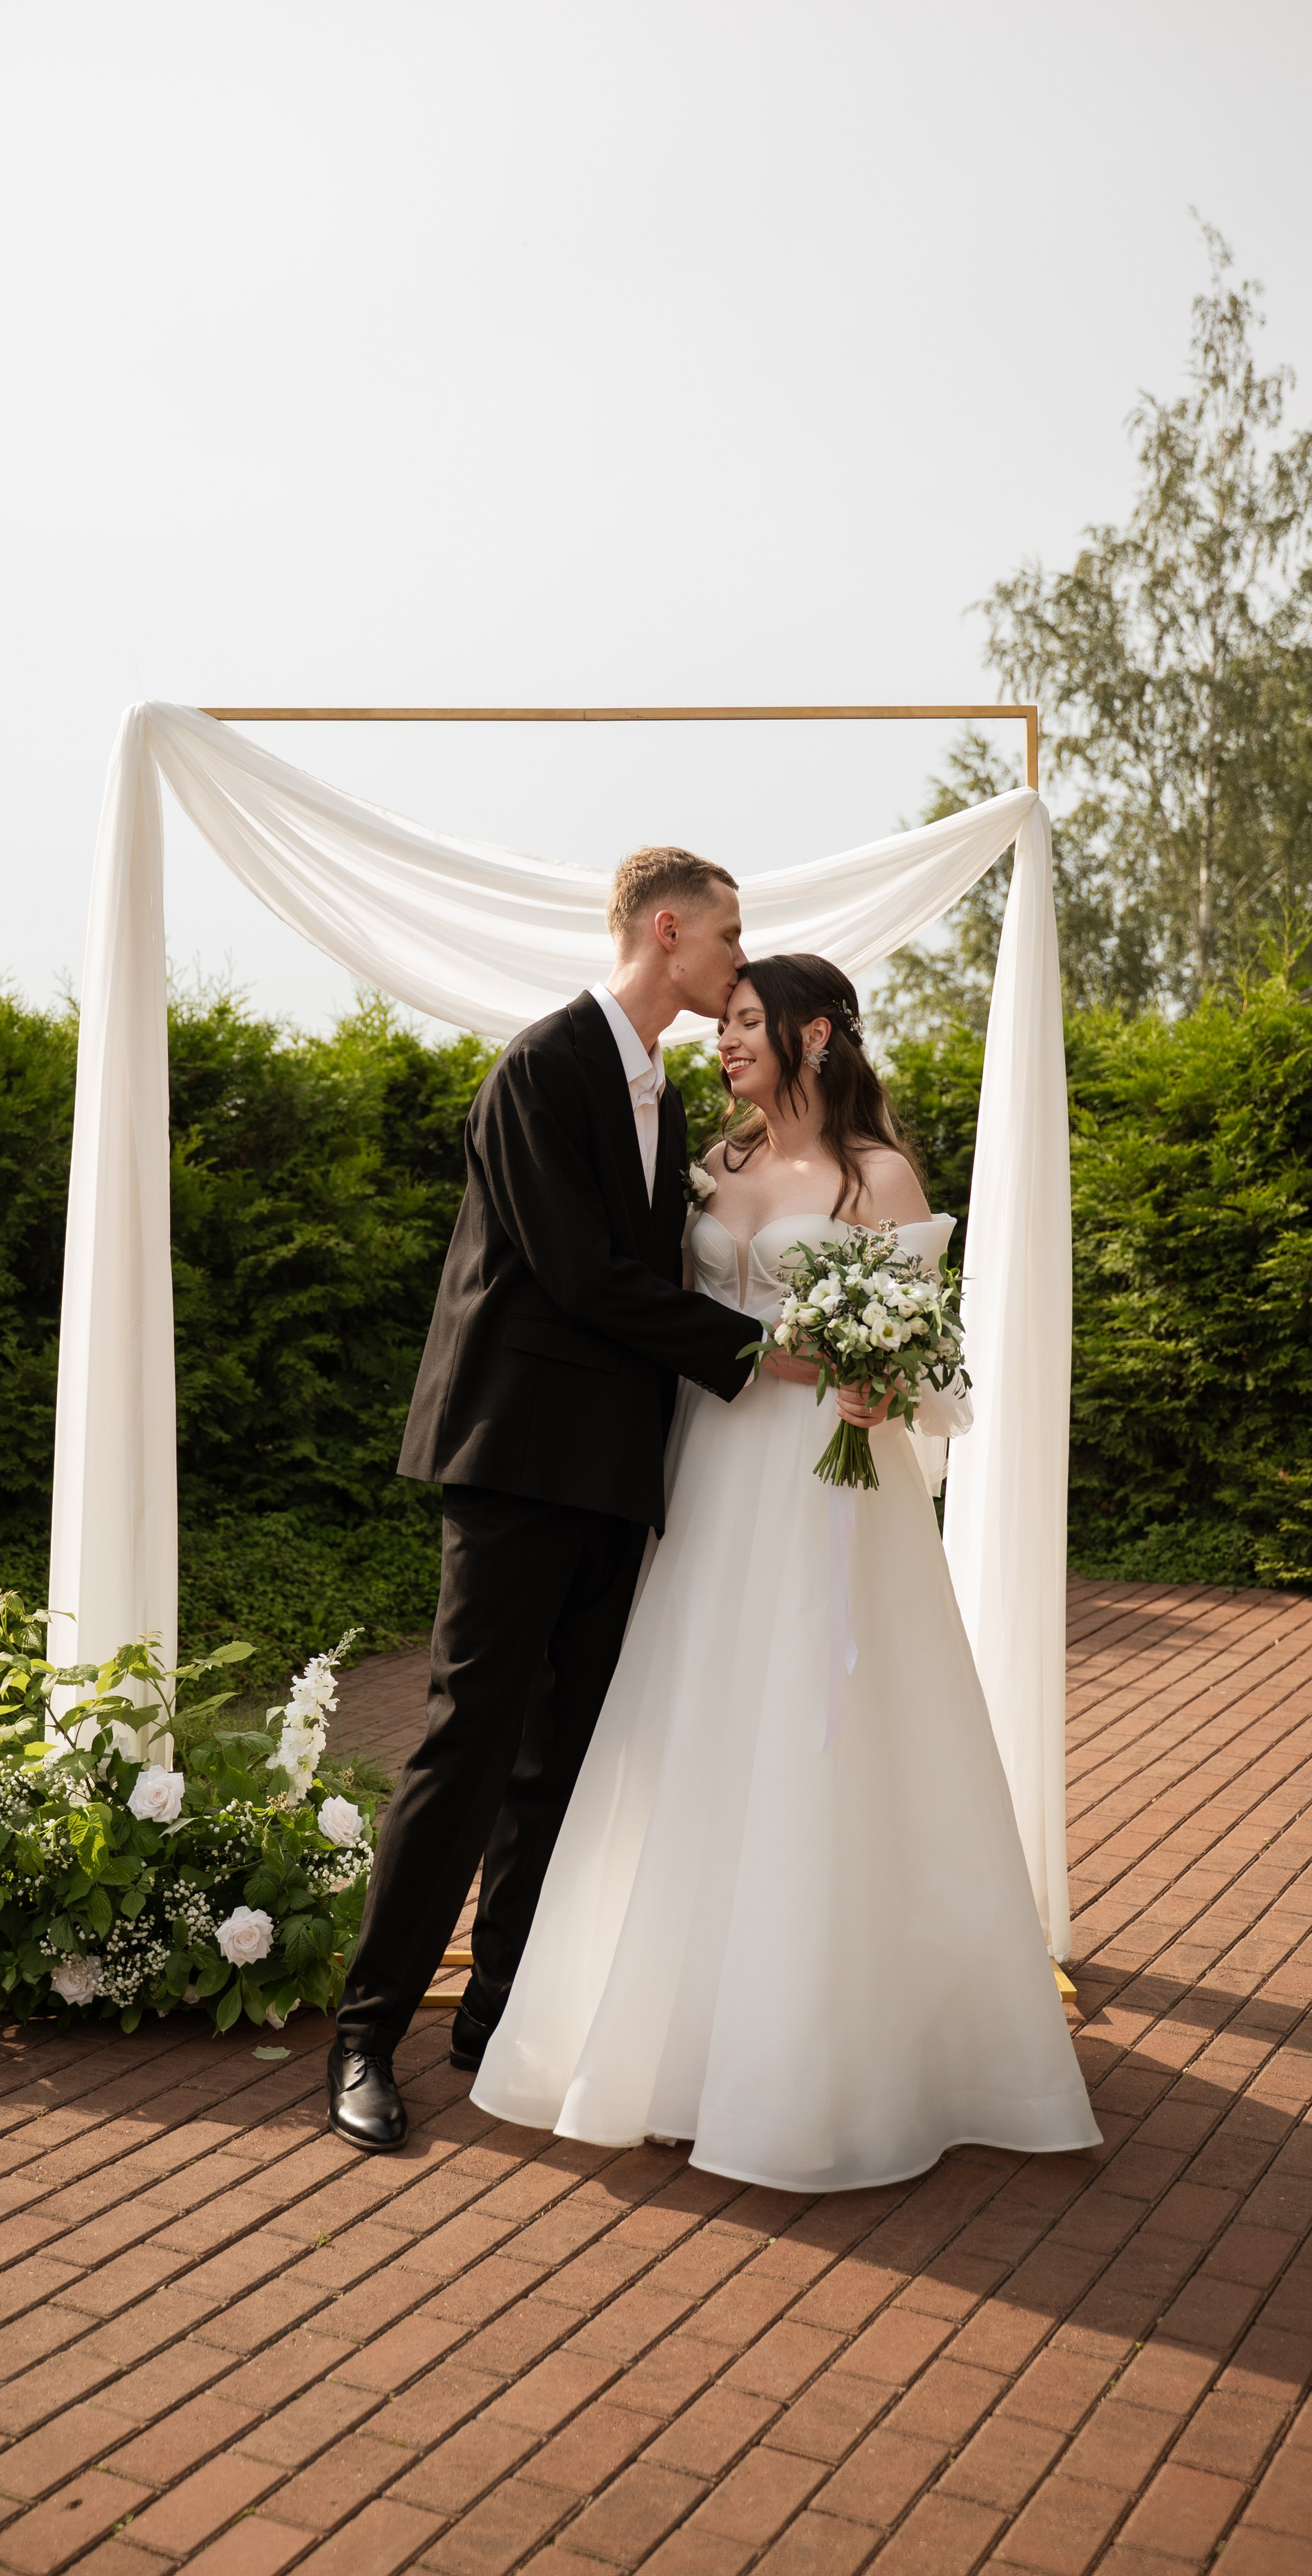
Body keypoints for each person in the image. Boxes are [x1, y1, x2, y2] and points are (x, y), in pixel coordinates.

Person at [470, 953, 1100, 2191]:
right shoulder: (718, 1168)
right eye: (725, 1024)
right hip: (707, 1471)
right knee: (692, 1727)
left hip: (822, 1483)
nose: (724, 1041)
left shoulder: (876, 1177)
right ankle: (670, 2040)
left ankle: (821, 2051)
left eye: (748, 1022)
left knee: (821, 1736)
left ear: (816, 1037)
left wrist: (879, 1380)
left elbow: (924, 1353)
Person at [326, 847, 783, 2152]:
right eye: (731, 938)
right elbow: (580, 1277)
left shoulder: (665, 1104)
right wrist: (758, 1359)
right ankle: (366, 2033)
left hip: (613, 1473)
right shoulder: (542, 1067)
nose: (738, 962)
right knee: (469, 1743)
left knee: (561, 1761)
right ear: (668, 927)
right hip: (517, 1458)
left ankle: (500, 2015)